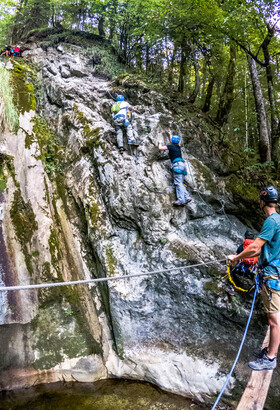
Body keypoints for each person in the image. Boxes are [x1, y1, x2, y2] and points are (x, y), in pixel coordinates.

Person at [228, 186, 280, 371]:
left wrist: (236, 257)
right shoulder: (278, 220)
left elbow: (255, 248)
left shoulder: (272, 221)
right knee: (275, 317)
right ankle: (270, 351)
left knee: (274, 320)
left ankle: (271, 358)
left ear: (262, 201)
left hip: (272, 275)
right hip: (275, 272)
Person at [158, 135, 192, 206]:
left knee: (178, 183)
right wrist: (170, 134)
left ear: (172, 141)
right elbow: (173, 140)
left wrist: (160, 143)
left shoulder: (171, 146)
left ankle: (181, 200)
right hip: (182, 165)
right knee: (180, 182)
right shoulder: (178, 147)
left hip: (177, 165)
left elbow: (161, 148)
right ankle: (187, 197)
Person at [226, 230, 258, 296]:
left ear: (245, 237)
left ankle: (232, 288)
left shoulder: (242, 246)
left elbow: (237, 259)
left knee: (231, 269)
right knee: (257, 277)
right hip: (253, 270)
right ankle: (254, 291)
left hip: (243, 269)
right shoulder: (257, 247)